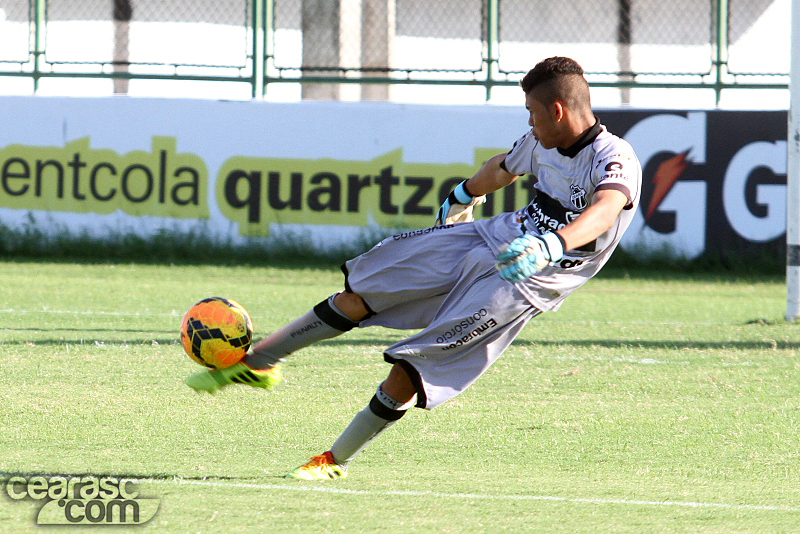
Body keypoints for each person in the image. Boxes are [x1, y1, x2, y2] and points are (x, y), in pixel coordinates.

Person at [185, 56, 642, 480]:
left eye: (533, 113)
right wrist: (464, 194)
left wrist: (551, 245)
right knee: (364, 288)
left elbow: (606, 208)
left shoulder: (614, 157)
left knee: (412, 367)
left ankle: (332, 460)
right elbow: (502, 167)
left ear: (558, 111)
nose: (529, 122)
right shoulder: (542, 142)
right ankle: (258, 362)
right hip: (490, 237)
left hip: (528, 277)